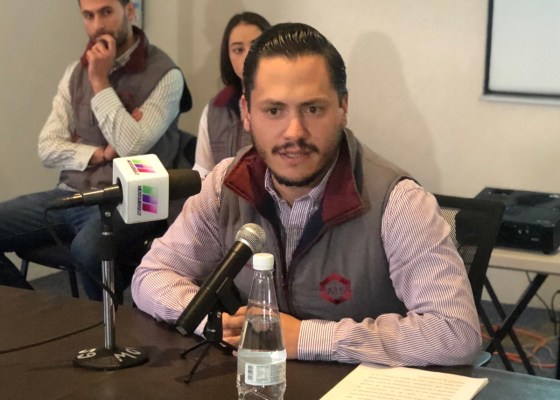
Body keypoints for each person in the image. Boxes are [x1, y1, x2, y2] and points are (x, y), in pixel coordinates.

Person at [132, 22, 482, 366]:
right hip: (260, 384)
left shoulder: (399, 202)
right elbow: (152, 275)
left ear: (343, 108)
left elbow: (456, 332)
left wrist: (307, 338)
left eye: (313, 109)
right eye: (274, 111)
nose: (294, 132)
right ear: (246, 113)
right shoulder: (226, 184)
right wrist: (212, 323)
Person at [0, 0, 191, 301]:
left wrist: (100, 81)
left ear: (130, 12)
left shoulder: (166, 75)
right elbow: (47, 147)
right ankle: (35, 311)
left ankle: (111, 323)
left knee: (89, 249)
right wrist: (100, 154)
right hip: (72, 192)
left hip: (135, 199)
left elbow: (130, 146)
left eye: (106, 12)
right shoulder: (75, 72)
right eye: (88, 16)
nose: (97, 24)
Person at [192, 12, 270, 178]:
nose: (247, 56)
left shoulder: (288, 103)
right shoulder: (215, 110)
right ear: (228, 56)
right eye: (238, 50)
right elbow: (202, 171)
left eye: (256, 46)